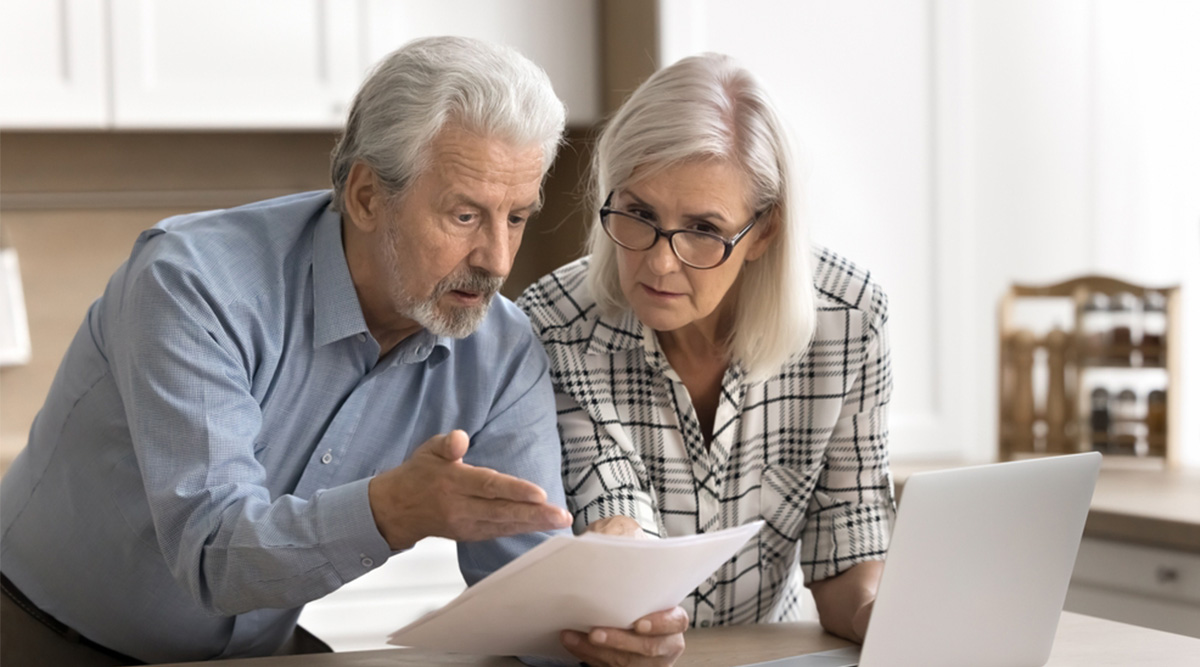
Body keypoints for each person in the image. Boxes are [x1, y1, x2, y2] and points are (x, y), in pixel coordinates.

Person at [0, 36, 682, 666]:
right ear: (364, 196)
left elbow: (526, 589)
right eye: (465, 215)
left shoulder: (500, 349)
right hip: (40, 636)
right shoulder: (193, 284)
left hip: (255, 651)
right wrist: (392, 510)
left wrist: (607, 625)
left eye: (516, 217)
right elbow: (213, 552)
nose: (498, 259)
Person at [518, 52, 896, 645]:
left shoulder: (848, 322)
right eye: (639, 213)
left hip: (765, 653)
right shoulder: (557, 324)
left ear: (764, 230)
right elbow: (615, 513)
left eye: (703, 229)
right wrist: (638, 614)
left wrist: (891, 619)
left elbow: (849, 549)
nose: (659, 261)